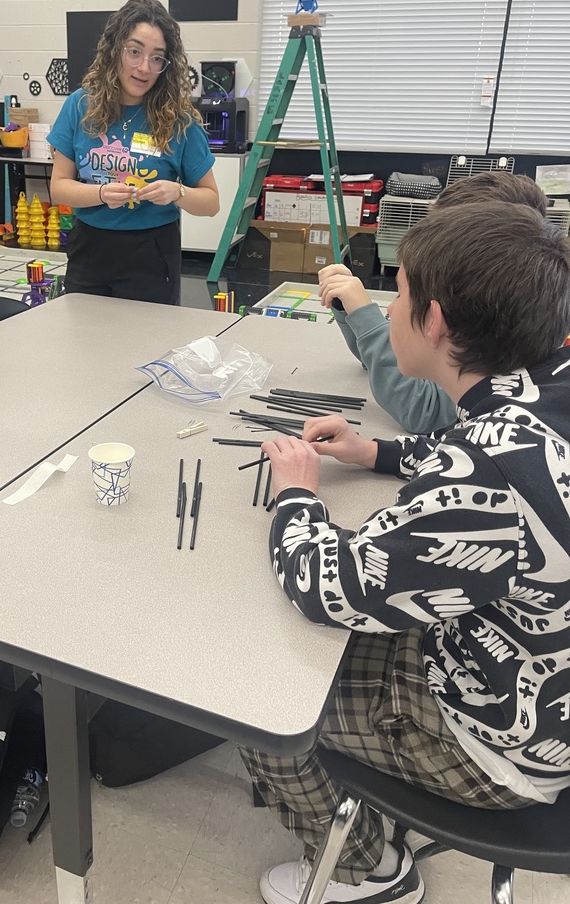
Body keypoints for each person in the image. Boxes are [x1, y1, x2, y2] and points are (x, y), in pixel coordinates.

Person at [244, 203, 570, 904]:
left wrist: (297, 496)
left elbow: (329, 584)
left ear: (436, 322)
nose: (387, 308)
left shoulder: (489, 468)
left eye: (399, 293)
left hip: (507, 742)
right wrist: (379, 452)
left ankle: (368, 873)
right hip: (546, 683)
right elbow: (480, 447)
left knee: (248, 687)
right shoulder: (548, 388)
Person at [320, 172, 549, 434]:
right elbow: (396, 358)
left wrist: (364, 314)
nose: (392, 309)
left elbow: (425, 410)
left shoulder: (494, 321)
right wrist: (352, 310)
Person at [47, 0, 219, 305]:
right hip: (90, 249)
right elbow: (59, 188)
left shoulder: (178, 118)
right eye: (135, 52)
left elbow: (211, 203)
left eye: (157, 57)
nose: (144, 67)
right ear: (115, 50)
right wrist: (99, 194)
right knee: (84, 343)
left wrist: (176, 192)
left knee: (147, 346)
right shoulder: (80, 105)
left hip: (152, 254)